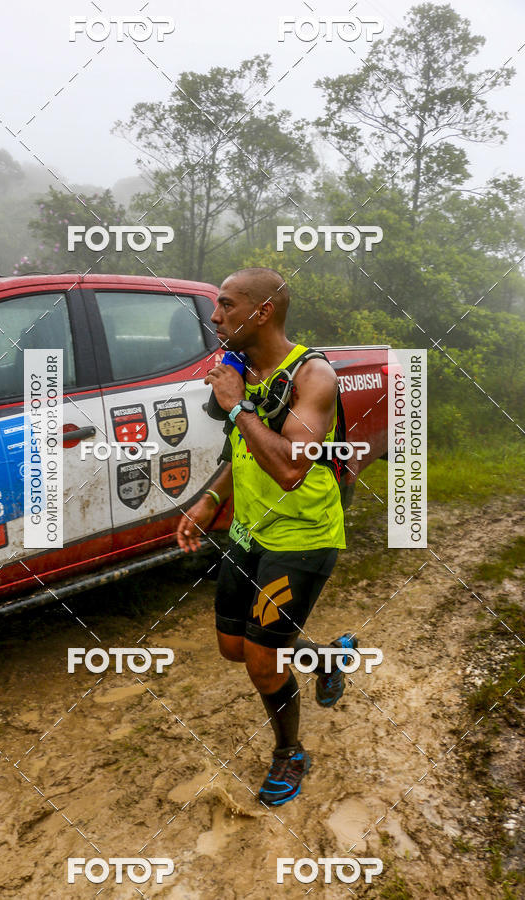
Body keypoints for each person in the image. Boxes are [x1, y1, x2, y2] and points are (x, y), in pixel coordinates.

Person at [176, 267, 356, 806]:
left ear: (263, 312)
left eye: (226, 305)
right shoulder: (242, 369)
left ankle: (290, 754)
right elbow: (242, 446)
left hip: (303, 533)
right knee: (235, 648)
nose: (215, 316)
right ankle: (325, 659)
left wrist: (237, 403)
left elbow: (289, 469)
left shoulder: (312, 376)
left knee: (263, 661)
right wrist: (211, 497)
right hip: (251, 530)